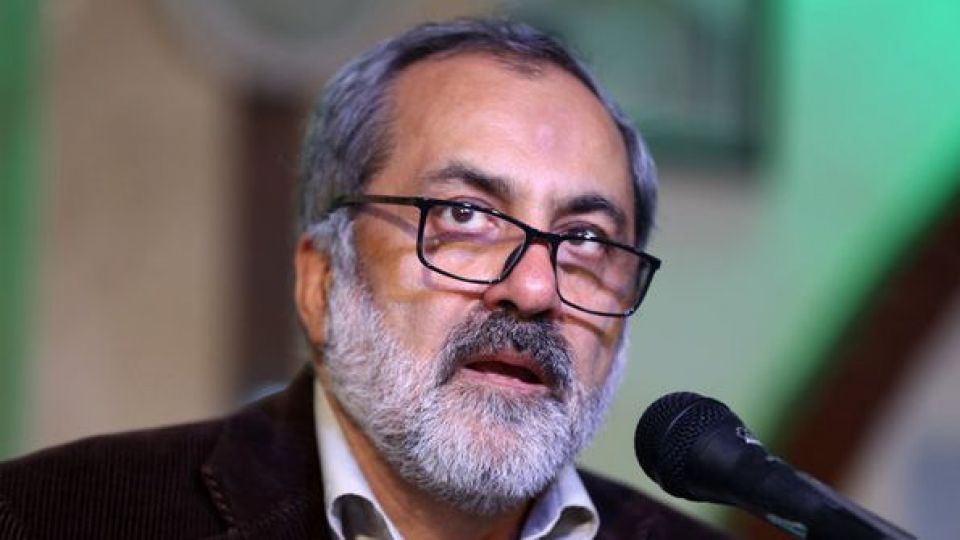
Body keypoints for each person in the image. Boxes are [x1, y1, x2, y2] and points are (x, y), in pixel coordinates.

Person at [0, 18, 728, 539]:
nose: (534, 289)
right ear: (321, 281)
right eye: (465, 216)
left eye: (585, 240)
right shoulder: (47, 517)